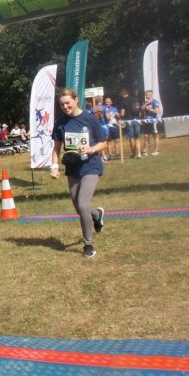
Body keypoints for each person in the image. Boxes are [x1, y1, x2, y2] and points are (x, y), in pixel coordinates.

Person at [50, 88, 107, 258]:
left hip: (91, 167)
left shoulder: (90, 118)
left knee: (82, 204)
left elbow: (103, 143)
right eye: (62, 104)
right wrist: (54, 167)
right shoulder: (60, 123)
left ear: (76, 100)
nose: (65, 107)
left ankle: (88, 245)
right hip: (72, 169)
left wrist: (91, 149)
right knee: (79, 207)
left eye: (68, 103)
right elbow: (56, 148)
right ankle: (97, 215)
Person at [119, 90, 142, 159]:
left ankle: (134, 154)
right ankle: (139, 153)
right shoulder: (135, 99)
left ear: (122, 95)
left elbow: (122, 113)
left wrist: (119, 116)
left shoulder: (123, 102)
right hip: (137, 120)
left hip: (129, 121)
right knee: (137, 137)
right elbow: (139, 110)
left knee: (131, 138)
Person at [142, 89, 162, 156]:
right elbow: (142, 109)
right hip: (146, 121)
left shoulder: (155, 102)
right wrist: (145, 105)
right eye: (145, 95)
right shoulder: (146, 102)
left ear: (151, 95)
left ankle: (157, 150)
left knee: (155, 136)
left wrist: (149, 109)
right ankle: (145, 151)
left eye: (147, 95)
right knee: (146, 136)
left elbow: (157, 111)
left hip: (153, 121)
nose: (146, 96)